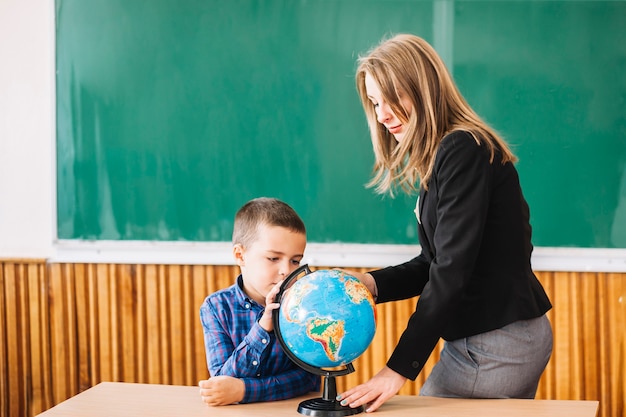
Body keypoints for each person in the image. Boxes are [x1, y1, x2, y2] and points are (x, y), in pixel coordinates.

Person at [336, 34, 553, 412]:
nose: (383, 114)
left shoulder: (462, 149)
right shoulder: (449, 154)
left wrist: (395, 370)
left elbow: (451, 270)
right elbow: (435, 263)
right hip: (491, 340)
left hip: (493, 344)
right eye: (374, 103)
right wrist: (371, 283)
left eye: (392, 98)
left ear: (424, 89)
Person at [198, 197, 320, 406]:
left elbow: (308, 378)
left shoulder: (303, 306)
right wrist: (263, 327)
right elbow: (223, 381)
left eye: (295, 261)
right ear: (240, 255)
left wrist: (244, 391)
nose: (287, 271)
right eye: (273, 258)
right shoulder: (217, 308)